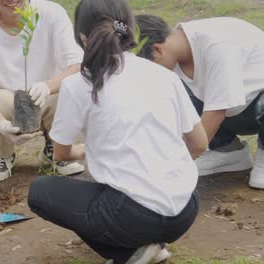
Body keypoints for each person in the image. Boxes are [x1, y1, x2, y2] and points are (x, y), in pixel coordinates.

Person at [27, 0, 208, 263]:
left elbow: (60, 153)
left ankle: (130, 253)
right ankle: (148, 243)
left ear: (82, 37)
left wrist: (87, 150)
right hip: (186, 209)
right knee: (107, 185)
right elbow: (199, 144)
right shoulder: (164, 76)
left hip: (133, 217)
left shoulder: (79, 84)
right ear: (130, 30)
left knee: (41, 192)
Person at [0, 0, 85, 182]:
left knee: (66, 89)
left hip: (48, 97)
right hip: (7, 102)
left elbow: (77, 64)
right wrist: (0, 122)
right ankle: (3, 154)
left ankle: (58, 147)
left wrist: (47, 86)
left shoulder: (52, 13)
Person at [135, 15, 264, 188]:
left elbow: (217, 112)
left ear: (158, 50)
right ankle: (228, 151)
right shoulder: (177, 52)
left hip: (255, 106)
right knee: (174, 90)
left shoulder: (218, 45)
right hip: (237, 110)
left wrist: (174, 168)